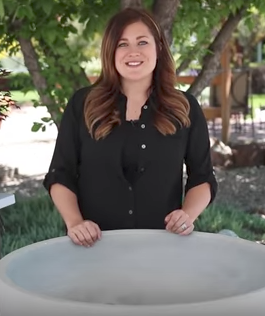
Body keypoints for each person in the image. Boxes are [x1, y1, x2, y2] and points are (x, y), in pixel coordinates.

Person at [43, 7, 218, 247]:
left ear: (158, 47)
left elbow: (203, 177)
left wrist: (187, 215)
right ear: (110, 52)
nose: (132, 52)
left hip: (163, 246)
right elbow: (60, 174)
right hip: (93, 248)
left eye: (142, 42)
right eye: (122, 44)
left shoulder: (184, 108)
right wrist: (75, 223)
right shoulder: (82, 104)